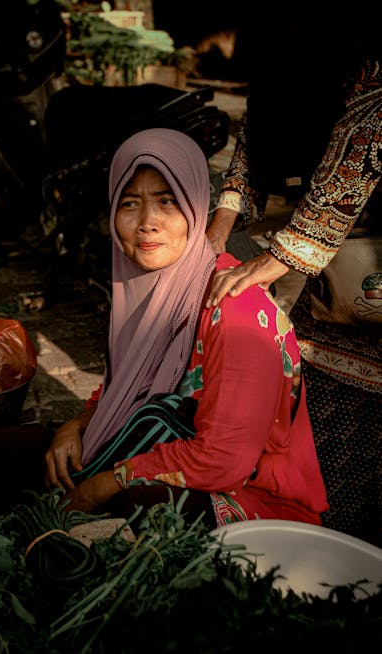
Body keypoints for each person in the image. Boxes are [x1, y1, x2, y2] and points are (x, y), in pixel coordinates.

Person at [44, 127, 328, 529]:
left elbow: (224, 459)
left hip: (250, 500)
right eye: (129, 204)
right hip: (163, 452)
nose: (147, 224)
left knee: (126, 508)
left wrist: (104, 484)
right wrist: (73, 426)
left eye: (167, 202)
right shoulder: (153, 288)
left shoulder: (232, 305)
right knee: (5, 453)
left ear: (196, 209)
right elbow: (128, 388)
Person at [204, 9, 381, 545]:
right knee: (313, 379)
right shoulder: (289, 48)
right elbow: (257, 134)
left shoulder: (367, 58)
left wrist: (279, 258)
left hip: (362, 251)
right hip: (339, 274)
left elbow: (361, 143)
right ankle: (335, 543)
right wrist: (219, 227)